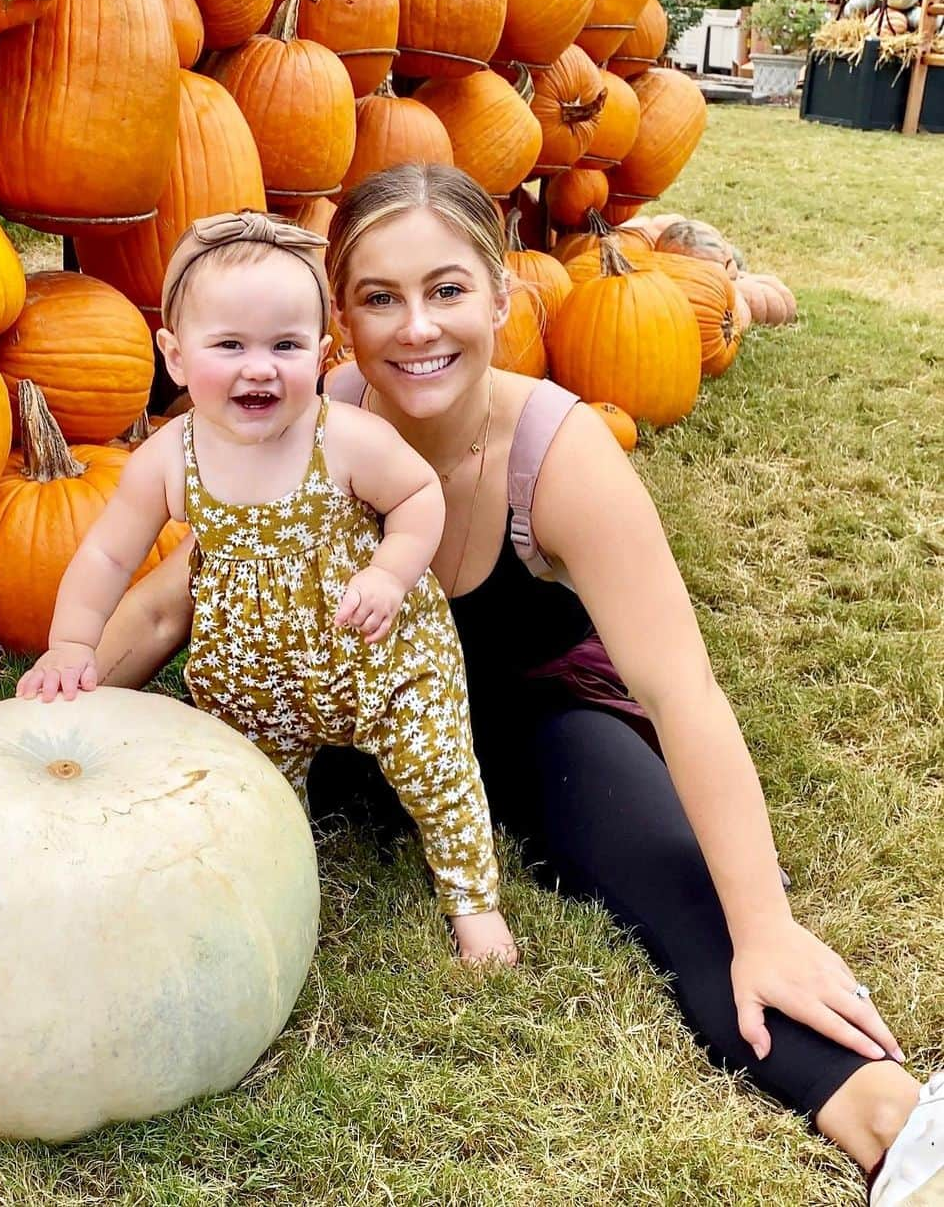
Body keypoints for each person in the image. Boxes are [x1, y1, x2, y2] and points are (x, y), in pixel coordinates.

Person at [76, 165, 940, 1205]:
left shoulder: (559, 453)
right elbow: (170, 606)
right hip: (348, 724)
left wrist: (763, 926)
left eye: (446, 289)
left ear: (501, 294)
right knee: (157, 796)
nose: (416, 328)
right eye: (379, 298)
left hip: (537, 723)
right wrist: (25, 748)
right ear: (339, 320)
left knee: (666, 877)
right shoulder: (301, 424)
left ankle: (892, 1123)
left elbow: (682, 692)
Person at [15, 209, 516, 966]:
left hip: (380, 656)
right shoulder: (167, 458)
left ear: (319, 356)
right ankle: (277, 875)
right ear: (176, 357)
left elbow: (418, 497)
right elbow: (106, 558)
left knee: (436, 766)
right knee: (252, 787)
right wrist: (72, 644)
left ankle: (472, 900)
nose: (260, 368)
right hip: (252, 673)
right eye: (230, 346)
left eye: (284, 346)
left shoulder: (339, 438)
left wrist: (389, 572)